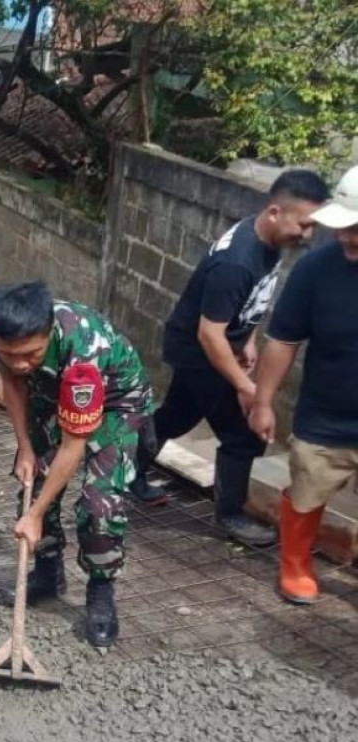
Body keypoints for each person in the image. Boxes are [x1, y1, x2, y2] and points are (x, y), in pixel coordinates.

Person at [132, 170, 329, 546]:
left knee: (178, 415)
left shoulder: (265, 243)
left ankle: (127, 471)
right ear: (275, 212)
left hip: (213, 344)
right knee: (244, 434)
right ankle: (231, 515)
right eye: (303, 225)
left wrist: (248, 338)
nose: (307, 235)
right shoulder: (237, 261)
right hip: (200, 351)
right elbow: (209, 333)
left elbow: (245, 305)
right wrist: (246, 388)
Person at [0, 281, 155, 647]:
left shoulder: (83, 350)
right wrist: (25, 446)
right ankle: (47, 574)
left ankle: (101, 591)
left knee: (100, 503)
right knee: (32, 485)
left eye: (31, 353)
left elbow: (73, 446)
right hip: (50, 391)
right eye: (8, 352)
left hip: (114, 402)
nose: (19, 362)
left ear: (49, 334)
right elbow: (13, 382)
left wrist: (36, 513)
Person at [248, 166, 358, 604]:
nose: (346, 236)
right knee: (308, 492)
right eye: (343, 227)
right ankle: (295, 564)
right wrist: (263, 402)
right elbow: (283, 340)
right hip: (326, 417)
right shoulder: (315, 269)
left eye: (357, 228)